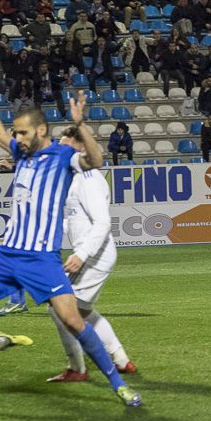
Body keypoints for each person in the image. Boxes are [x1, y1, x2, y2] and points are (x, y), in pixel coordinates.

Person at [0, 63, 141, 408]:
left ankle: (119, 384)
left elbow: (96, 159)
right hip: (5, 256)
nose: (15, 139)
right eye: (15, 133)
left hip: (41, 259)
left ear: (41, 130)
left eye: (22, 133)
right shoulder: (23, 153)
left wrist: (80, 126)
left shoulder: (63, 156)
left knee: (74, 320)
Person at [47, 128, 136, 382]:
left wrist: (82, 254)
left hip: (95, 256)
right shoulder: (75, 177)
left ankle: (77, 369)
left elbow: (102, 222)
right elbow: (76, 221)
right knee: (81, 312)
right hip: (90, 255)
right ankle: (121, 359)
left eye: (65, 148)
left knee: (60, 309)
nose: (60, 153)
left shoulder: (88, 178)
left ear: (82, 149)